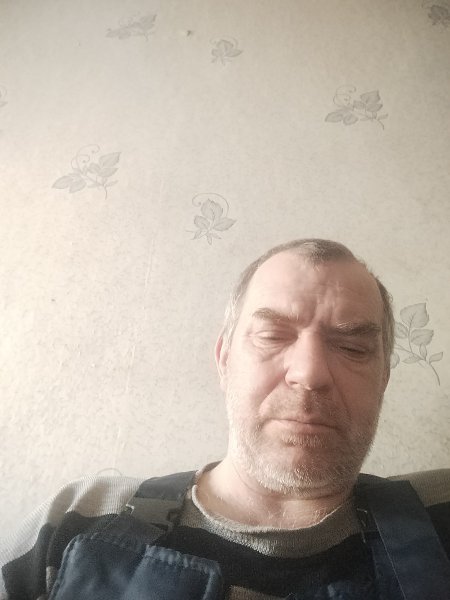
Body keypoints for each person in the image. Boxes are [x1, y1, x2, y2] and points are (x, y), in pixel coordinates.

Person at [1, 238, 450, 600]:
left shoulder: (442, 513)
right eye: (272, 335)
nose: (310, 373)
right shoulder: (76, 517)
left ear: (384, 378)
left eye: (352, 347)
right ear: (224, 359)